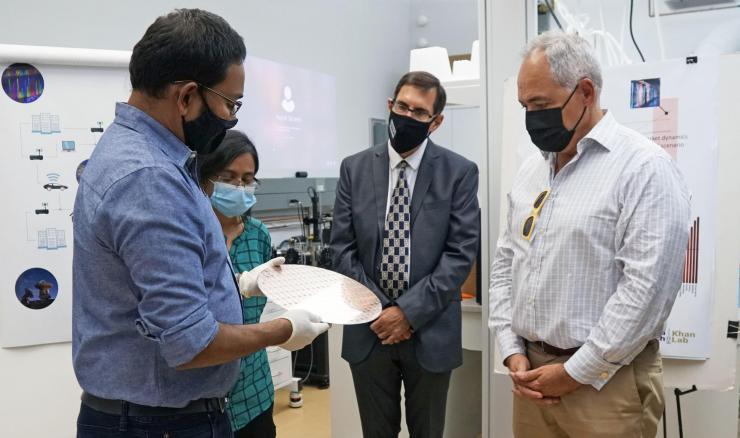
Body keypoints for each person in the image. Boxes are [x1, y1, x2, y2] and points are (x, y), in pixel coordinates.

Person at [72, 9, 328, 437]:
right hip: (160, 423)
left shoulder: (135, 152)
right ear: (187, 96)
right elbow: (191, 343)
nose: (231, 118)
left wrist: (236, 282)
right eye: (230, 103)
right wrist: (283, 329)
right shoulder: (149, 178)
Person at [489, 31, 691, 438]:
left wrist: (575, 372)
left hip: (606, 386)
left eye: (540, 104)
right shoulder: (533, 170)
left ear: (585, 91)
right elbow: (505, 263)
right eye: (525, 105)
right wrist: (511, 349)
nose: (531, 117)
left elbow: (645, 293)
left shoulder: (643, 168)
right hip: (531, 376)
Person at [330, 71, 480, 438]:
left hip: (429, 330)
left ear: (436, 121)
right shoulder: (355, 168)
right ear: (390, 106)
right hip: (369, 330)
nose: (407, 117)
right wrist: (381, 311)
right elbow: (342, 248)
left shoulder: (458, 172)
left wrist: (407, 314)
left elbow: (460, 254)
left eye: (419, 112)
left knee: (427, 432)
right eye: (402, 107)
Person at [198, 130, 276, 438]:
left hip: (254, 390)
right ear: (206, 176)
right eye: (228, 178)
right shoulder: (192, 234)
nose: (239, 188)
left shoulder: (258, 235)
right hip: (202, 396)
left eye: (247, 179)